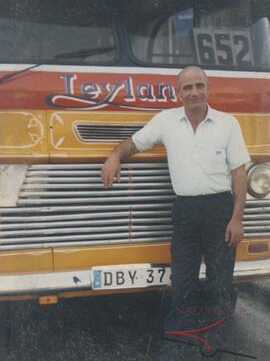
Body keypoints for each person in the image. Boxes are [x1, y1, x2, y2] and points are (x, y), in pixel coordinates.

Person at [101, 66, 250, 330]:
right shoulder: (165, 120)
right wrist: (114, 156)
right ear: (177, 92)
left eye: (199, 86)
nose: (194, 93)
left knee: (220, 283)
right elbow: (132, 144)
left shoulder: (228, 123)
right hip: (185, 211)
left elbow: (239, 174)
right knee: (182, 279)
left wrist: (237, 219)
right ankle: (181, 343)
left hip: (220, 210)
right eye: (187, 88)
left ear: (208, 88)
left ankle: (217, 342)